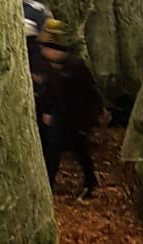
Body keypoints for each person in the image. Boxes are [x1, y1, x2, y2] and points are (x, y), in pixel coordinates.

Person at [38, 19, 102, 199]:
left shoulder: (75, 66)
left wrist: (89, 119)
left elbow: (89, 93)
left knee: (81, 151)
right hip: (61, 115)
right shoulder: (52, 67)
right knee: (53, 149)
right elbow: (49, 91)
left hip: (77, 116)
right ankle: (47, 184)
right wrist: (48, 110)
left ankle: (90, 182)